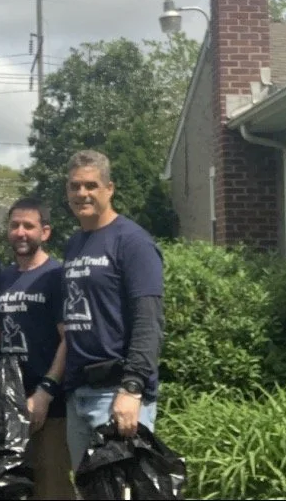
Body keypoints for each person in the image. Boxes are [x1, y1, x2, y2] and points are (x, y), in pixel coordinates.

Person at [60, 150, 165, 473]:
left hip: (117, 394)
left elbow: (149, 320)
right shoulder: (75, 244)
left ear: (109, 188)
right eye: (75, 186)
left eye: (91, 185)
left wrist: (132, 387)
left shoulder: (133, 242)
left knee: (121, 491)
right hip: (79, 392)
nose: (82, 194)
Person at [0, 196, 74, 500]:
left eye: (28, 226)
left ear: (45, 232)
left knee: (52, 488)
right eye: (14, 225)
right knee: (12, 488)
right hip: (8, 406)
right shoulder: (4, 277)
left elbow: (69, 339)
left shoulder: (56, 276)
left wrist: (45, 392)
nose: (20, 232)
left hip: (49, 408)